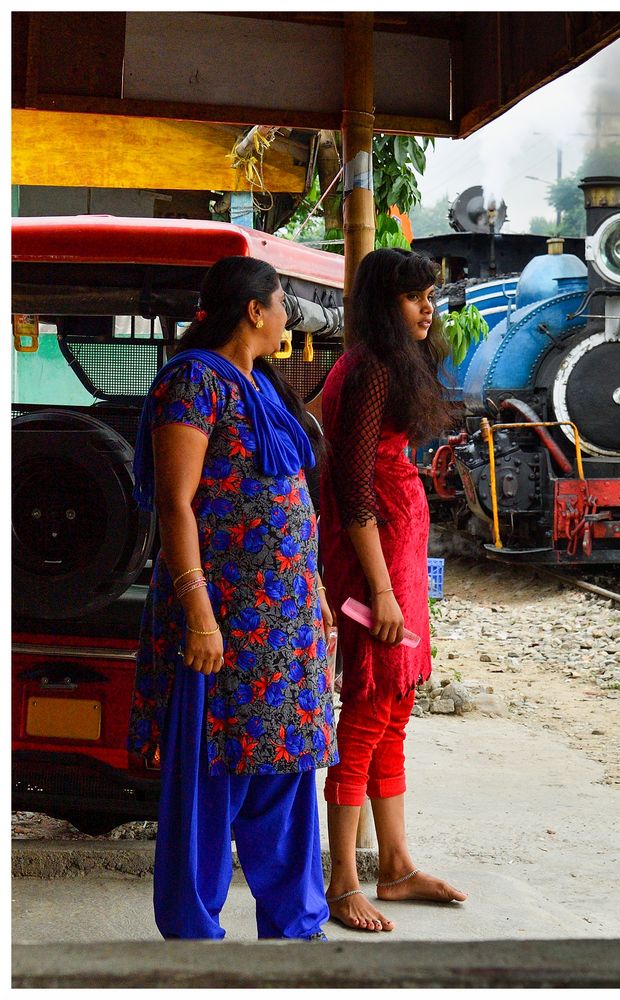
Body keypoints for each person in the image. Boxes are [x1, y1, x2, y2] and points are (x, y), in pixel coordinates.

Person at [128, 255, 338, 940]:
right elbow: (176, 504)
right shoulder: (193, 383)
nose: (287, 321)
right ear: (255, 310)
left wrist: (318, 593)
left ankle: (295, 930)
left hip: (285, 625)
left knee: (287, 775)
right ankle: (195, 941)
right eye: (283, 306)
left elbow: (291, 502)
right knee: (211, 782)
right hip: (222, 625)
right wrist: (198, 613)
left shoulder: (264, 386)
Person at [319, 248, 467, 932]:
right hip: (377, 562)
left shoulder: (371, 366)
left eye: (429, 296)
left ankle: (398, 866)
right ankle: (345, 880)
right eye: (415, 297)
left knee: (394, 708)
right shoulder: (371, 369)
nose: (427, 307)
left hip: (395, 555)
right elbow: (352, 486)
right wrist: (380, 589)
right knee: (370, 708)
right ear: (387, 303)